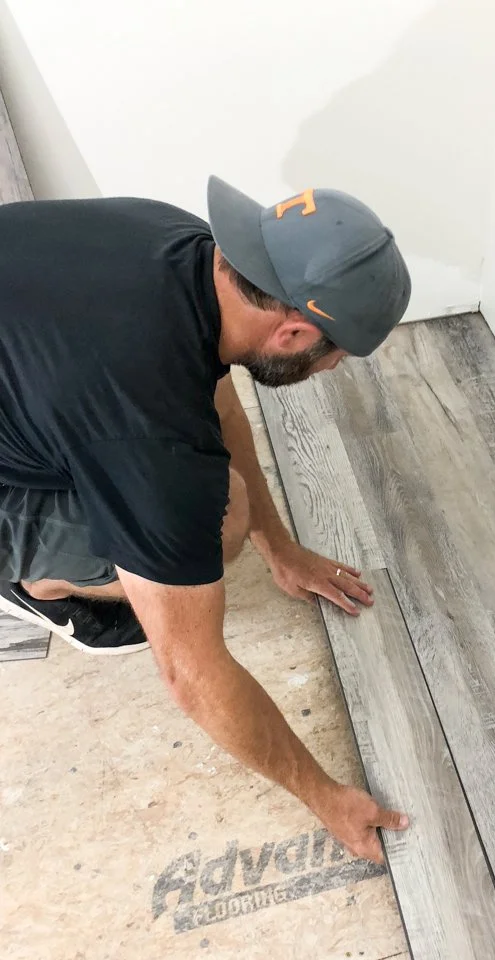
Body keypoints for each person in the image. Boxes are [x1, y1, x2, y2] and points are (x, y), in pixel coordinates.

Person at [0, 177, 412, 863]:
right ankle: (38, 586)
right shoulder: (151, 432)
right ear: (293, 331)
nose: (334, 366)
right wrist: (326, 795)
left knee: (211, 499)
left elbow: (218, 404)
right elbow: (191, 674)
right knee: (214, 522)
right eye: (337, 354)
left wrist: (281, 547)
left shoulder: (183, 246)